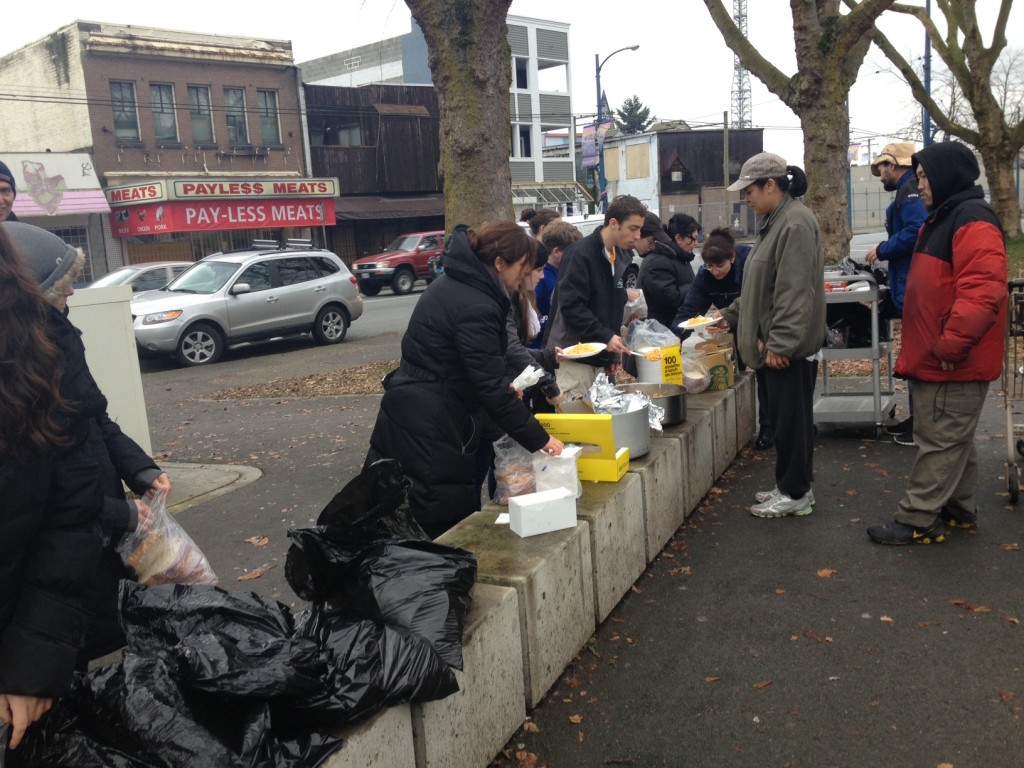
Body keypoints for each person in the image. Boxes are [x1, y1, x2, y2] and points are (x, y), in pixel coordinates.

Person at [6, 222, 172, 662]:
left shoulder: (57, 336)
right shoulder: (20, 370)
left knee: (110, 624)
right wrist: (119, 513)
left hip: (93, 524)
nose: (73, 293)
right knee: (74, 647)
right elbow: (31, 492)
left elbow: (95, 418)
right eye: (64, 285)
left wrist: (141, 470)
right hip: (64, 544)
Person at [366, 221, 563, 537]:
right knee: (439, 521)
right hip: (430, 424)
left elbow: (474, 366)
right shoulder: (477, 303)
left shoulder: (466, 285)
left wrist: (499, 383)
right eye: (523, 268)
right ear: (499, 263)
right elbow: (487, 386)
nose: (526, 276)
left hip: (423, 412)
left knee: (415, 511)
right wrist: (540, 439)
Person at [867, 142, 1007, 545]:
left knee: (940, 441)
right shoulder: (946, 216)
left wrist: (951, 345)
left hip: (952, 359)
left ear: (945, 176)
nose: (919, 184)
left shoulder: (970, 219)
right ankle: (959, 510)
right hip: (939, 355)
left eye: (925, 176)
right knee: (952, 438)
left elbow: (983, 291)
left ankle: (918, 518)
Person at [0, 224, 103, 751]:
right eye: (65, 288)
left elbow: (66, 505)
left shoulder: (33, 363)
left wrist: (30, 662)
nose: (72, 299)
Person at [719, 152, 826, 518]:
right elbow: (760, 289)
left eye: (749, 190)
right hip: (773, 347)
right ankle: (789, 485)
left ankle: (796, 492)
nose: (746, 199)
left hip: (784, 349)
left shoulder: (794, 223)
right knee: (783, 420)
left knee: (791, 423)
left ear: (771, 185)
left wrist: (780, 342)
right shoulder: (777, 221)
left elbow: (793, 291)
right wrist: (728, 316)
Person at [673, 228, 774, 450]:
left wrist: (764, 334)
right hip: (732, 325)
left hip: (762, 322)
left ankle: (769, 426)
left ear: (732, 257)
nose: (715, 271)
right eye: (710, 266)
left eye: (720, 266)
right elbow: (690, 309)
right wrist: (674, 336)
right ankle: (741, 425)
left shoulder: (750, 263)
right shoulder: (706, 276)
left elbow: (763, 298)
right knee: (733, 370)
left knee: (766, 373)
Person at [544, 195, 647, 396]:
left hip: (601, 359)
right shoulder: (580, 253)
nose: (637, 235)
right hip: (574, 360)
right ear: (614, 223)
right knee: (579, 426)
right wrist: (606, 336)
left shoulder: (621, 256)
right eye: (633, 228)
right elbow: (571, 306)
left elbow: (612, 309)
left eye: (640, 229)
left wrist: (611, 357)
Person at [865, 142, 928, 447]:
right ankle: (919, 421)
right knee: (915, 356)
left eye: (883, 168)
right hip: (908, 283)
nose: (881, 175)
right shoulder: (909, 191)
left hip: (913, 285)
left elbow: (917, 229)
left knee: (919, 358)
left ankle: (922, 425)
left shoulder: (910, 191)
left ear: (896, 164)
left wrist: (882, 249)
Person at [637, 211, 696, 330]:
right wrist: (696, 286)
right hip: (661, 333)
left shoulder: (680, 257)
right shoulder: (656, 262)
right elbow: (670, 298)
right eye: (692, 239)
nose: (695, 243)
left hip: (670, 330)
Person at [535, 221, 582, 348]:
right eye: (572, 252)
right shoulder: (541, 277)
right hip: (541, 347)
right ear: (556, 252)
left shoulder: (566, 272)